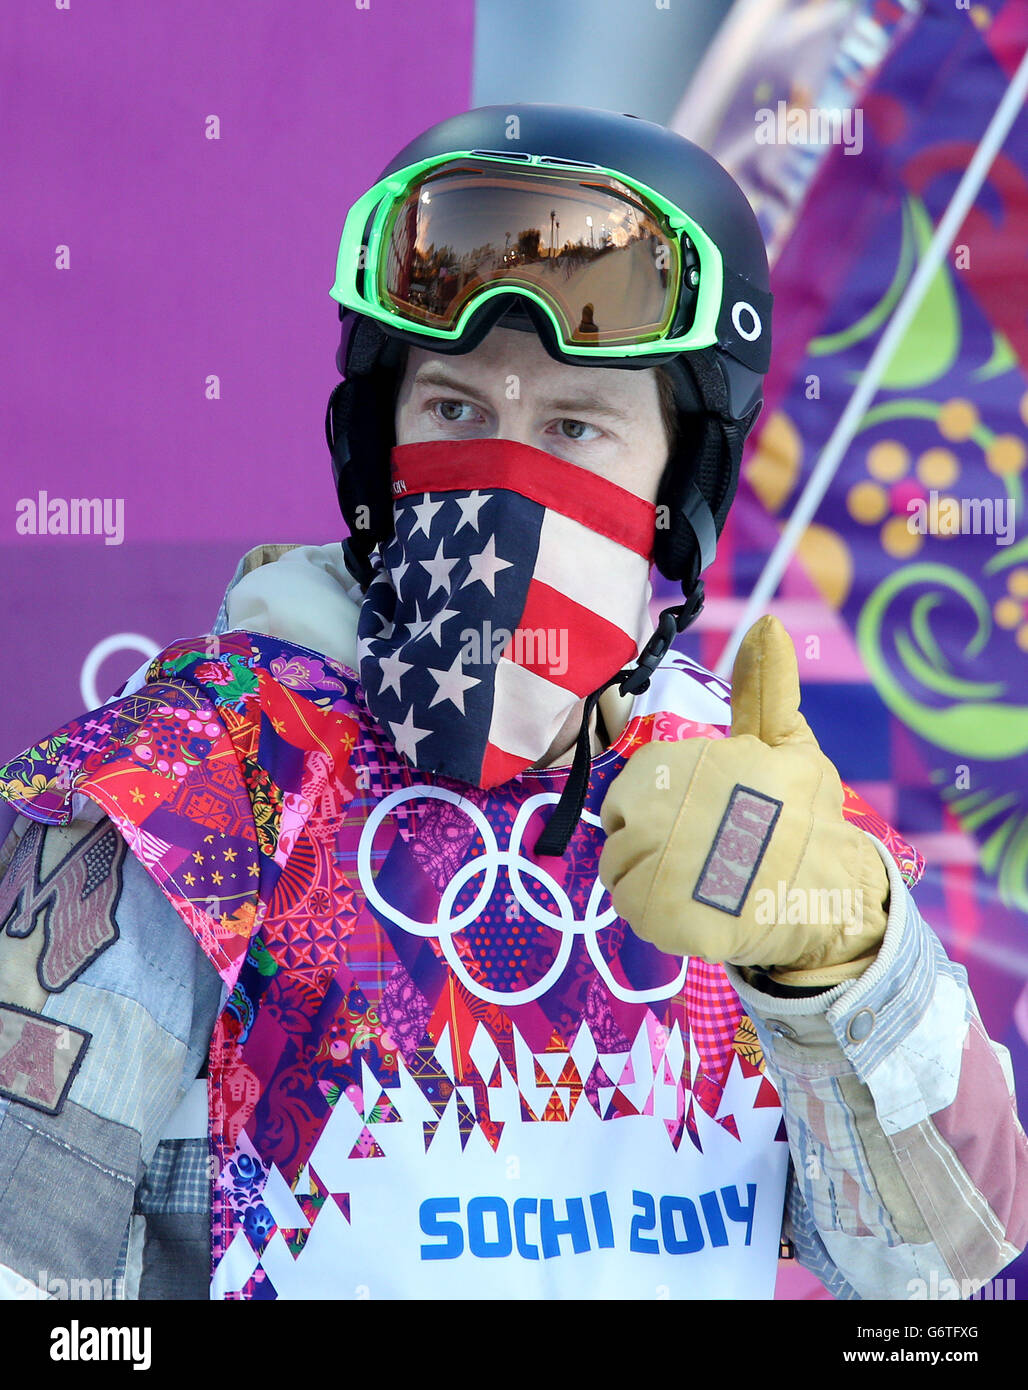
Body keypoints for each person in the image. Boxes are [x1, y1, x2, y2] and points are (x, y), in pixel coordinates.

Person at [0, 104, 1025, 1302]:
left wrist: (839, 959)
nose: (502, 472)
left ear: (673, 488)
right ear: (371, 447)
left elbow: (952, 1293)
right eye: (453, 411)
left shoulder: (745, 801)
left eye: (574, 427)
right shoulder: (184, 790)